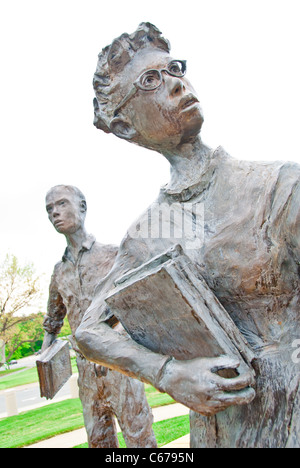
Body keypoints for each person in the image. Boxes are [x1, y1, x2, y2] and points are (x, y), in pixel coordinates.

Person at [76, 23, 300, 448]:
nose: (176, 84)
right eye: (151, 81)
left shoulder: (279, 186)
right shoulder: (146, 236)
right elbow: (88, 332)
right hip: (217, 434)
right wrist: (167, 374)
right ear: (124, 126)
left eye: (175, 69)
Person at [42, 184, 157, 448]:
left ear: (82, 207)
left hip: (120, 365)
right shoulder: (59, 272)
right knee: (98, 440)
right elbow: (53, 322)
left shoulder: (113, 255)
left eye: (61, 204)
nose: (54, 213)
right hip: (87, 375)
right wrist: (45, 361)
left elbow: (142, 303)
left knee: (139, 437)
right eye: (49, 209)